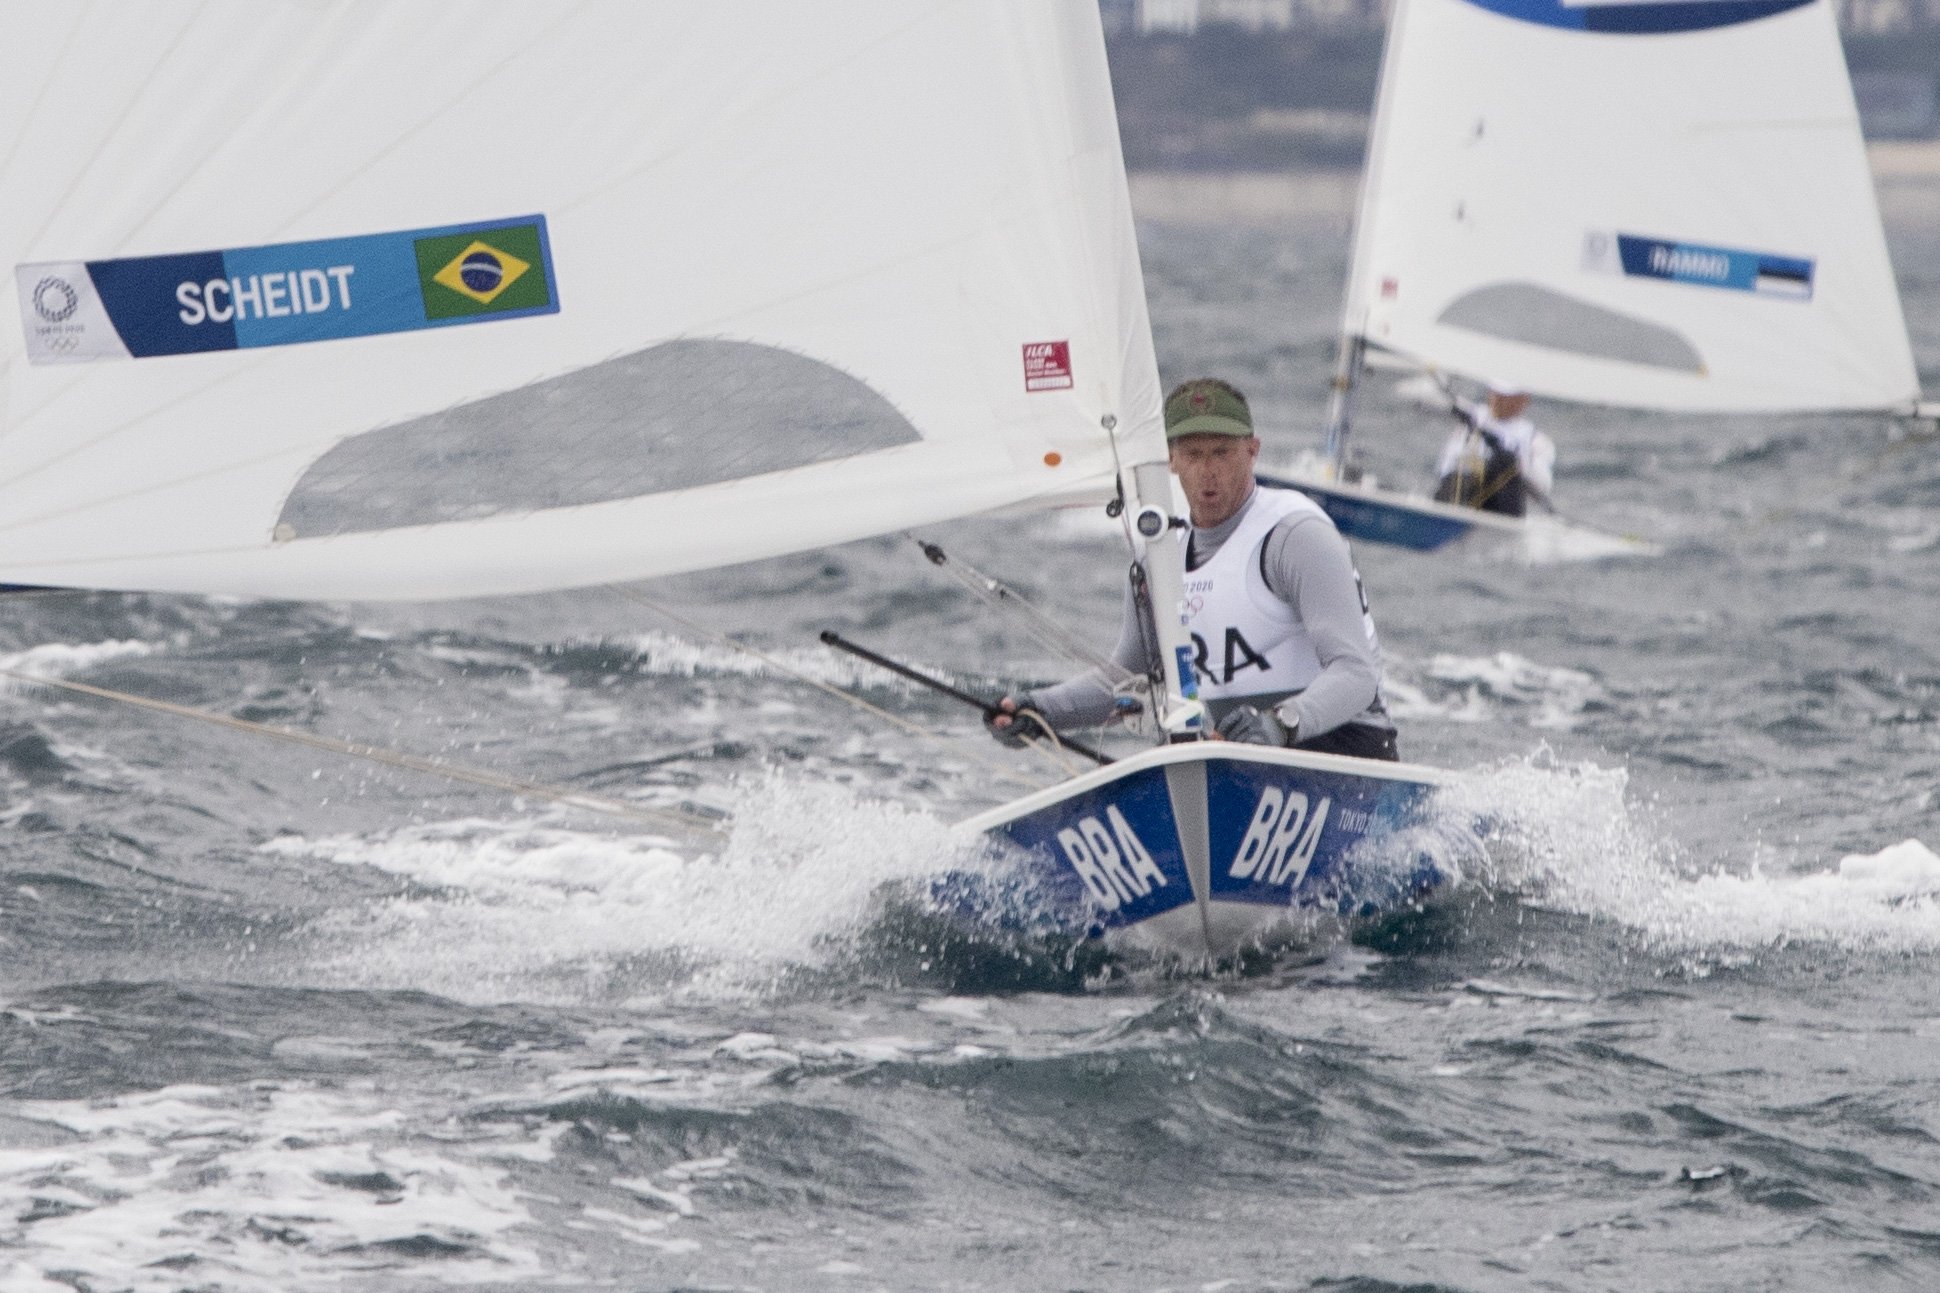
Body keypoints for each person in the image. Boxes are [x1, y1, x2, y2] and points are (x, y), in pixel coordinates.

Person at [989, 377, 1398, 760]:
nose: (1208, 471)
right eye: (1193, 455)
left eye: (1222, 452)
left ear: (1252, 451)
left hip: (1344, 744)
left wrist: (1280, 725)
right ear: (1171, 461)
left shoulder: (1295, 537)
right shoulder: (1159, 560)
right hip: (1231, 755)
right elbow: (1128, 680)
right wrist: (1040, 710)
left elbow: (1356, 673)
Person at [1432, 380, 1555, 517]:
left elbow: (1542, 486)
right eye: (1496, 394)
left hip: (1501, 507)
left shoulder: (1536, 440)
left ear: (1524, 400)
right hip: (1458, 492)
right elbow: (1430, 398)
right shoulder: (1471, 414)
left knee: (1505, 460)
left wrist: (1518, 464)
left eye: (1506, 397)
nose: (1498, 400)